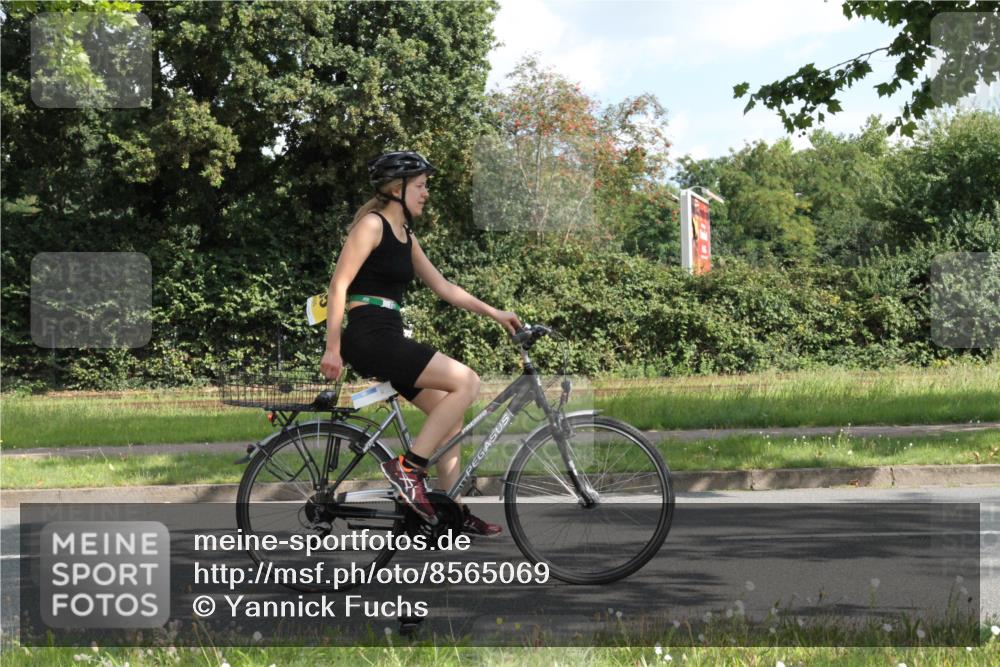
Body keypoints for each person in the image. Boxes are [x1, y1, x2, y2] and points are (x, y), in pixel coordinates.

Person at [320, 151, 521, 536]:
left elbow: (444, 287)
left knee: (450, 416)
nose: (426, 193)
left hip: (388, 336)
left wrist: (496, 313)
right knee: (467, 381)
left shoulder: (405, 236)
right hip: (370, 336)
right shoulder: (372, 226)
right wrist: (332, 347)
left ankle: (453, 513)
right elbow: (339, 285)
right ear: (397, 189)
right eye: (421, 185)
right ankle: (408, 469)